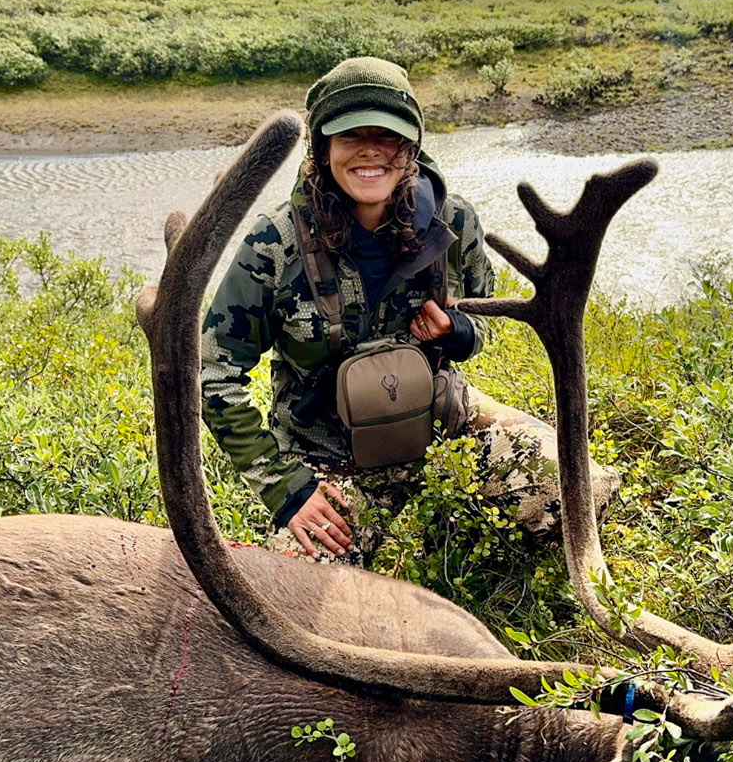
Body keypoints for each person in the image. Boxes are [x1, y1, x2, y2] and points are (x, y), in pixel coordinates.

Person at [201, 56, 610, 562]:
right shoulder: (274, 244)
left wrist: (458, 331)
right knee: (299, 583)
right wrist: (287, 488)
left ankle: (451, 541)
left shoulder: (453, 220)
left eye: (388, 136)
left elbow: (483, 322)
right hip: (330, 459)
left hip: (443, 433)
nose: (370, 152)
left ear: (411, 146)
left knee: (578, 490)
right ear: (321, 146)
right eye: (351, 136)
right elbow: (214, 372)